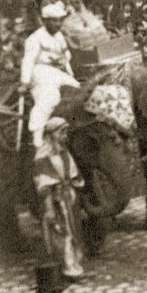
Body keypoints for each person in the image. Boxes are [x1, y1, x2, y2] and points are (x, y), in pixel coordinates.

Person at [20, 3, 80, 149]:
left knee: (77, 88)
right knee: (50, 96)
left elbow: (66, 54)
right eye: (54, 20)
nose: (58, 23)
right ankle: (37, 136)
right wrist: (25, 82)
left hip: (57, 71)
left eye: (60, 20)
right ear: (45, 20)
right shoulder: (35, 38)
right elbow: (28, 60)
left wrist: (66, 64)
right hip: (39, 70)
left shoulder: (59, 36)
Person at [33, 118, 86, 280]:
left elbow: (72, 173)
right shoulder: (43, 156)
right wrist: (49, 207)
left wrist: (74, 187)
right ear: (50, 134)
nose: (64, 136)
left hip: (68, 198)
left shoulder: (63, 152)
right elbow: (44, 183)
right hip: (55, 201)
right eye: (61, 132)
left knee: (72, 229)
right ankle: (66, 266)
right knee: (61, 232)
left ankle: (73, 263)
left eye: (65, 132)